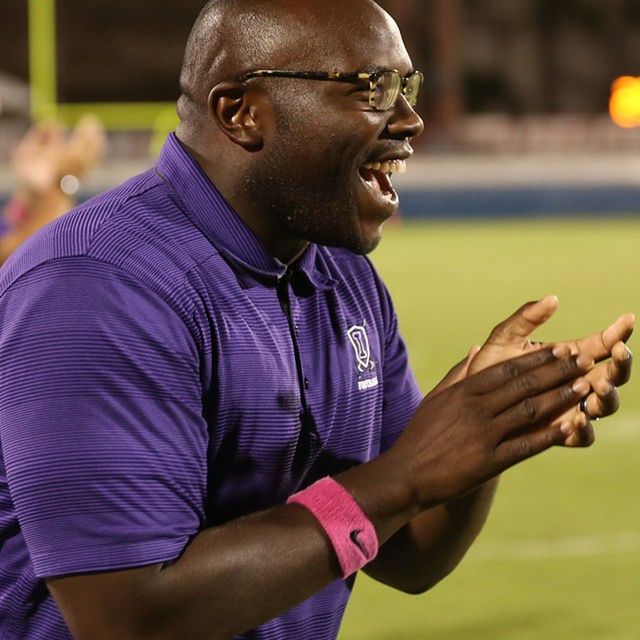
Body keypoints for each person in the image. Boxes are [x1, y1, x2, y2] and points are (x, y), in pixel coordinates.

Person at [0, 1, 633, 639]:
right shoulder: (99, 284)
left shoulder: (341, 273)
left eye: (406, 88)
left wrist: (483, 434)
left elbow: (411, 551)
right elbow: (128, 620)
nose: (410, 121)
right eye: (373, 88)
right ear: (241, 113)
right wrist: (406, 476)